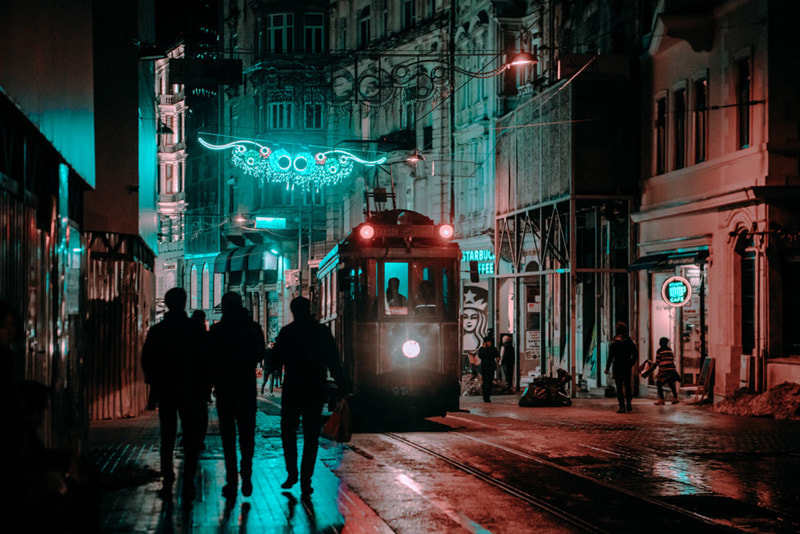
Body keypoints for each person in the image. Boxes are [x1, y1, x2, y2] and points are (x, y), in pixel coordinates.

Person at [272, 296, 346, 497]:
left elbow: (276, 358)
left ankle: (292, 474)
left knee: (288, 432)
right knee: (311, 436)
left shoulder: (287, 332)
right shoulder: (321, 332)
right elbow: (334, 360)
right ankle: (306, 479)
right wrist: (341, 384)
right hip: (315, 389)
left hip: (293, 389)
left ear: (293, 311)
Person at [141, 288, 210, 502]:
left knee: (167, 434)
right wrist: (204, 386)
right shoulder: (195, 329)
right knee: (191, 434)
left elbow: (147, 359)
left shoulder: (158, 330)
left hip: (166, 388)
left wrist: (153, 383)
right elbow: (206, 359)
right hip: (191, 389)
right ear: (184, 302)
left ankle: (168, 475)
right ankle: (188, 475)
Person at [209, 292, 265, 501]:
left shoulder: (217, 331)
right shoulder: (253, 328)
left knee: (228, 436)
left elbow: (210, 359)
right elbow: (260, 354)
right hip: (246, 388)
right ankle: (247, 474)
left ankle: (231, 480)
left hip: (225, 389)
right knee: (247, 435)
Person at [605, 322, 637, 413]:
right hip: (626, 366)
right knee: (627, 385)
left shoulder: (615, 342)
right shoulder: (629, 341)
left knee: (619, 387)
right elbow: (635, 355)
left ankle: (622, 406)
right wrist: (631, 363)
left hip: (617, 366)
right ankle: (629, 404)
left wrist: (607, 367)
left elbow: (611, 356)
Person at [190, 310, 211, 449]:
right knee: (201, 411)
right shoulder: (207, 337)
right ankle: (200, 438)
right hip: (203, 380)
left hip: (187, 380)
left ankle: (189, 437)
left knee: (188, 411)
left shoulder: (185, 336)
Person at [654, 337, 681, 405]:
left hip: (664, 371)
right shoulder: (670, 350)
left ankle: (661, 399)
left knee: (659, 383)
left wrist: (651, 367)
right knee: (671, 383)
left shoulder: (659, 350)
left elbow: (657, 362)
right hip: (672, 370)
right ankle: (675, 398)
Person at [477, 337, 500, 403]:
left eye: (489, 342)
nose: (488, 343)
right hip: (484, 368)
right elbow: (480, 356)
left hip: (491, 367)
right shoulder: (482, 349)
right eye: (487, 342)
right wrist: (484, 348)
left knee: (490, 383)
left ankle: (488, 396)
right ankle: (485, 397)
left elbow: (497, 355)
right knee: (485, 382)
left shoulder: (493, 349)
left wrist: (498, 359)